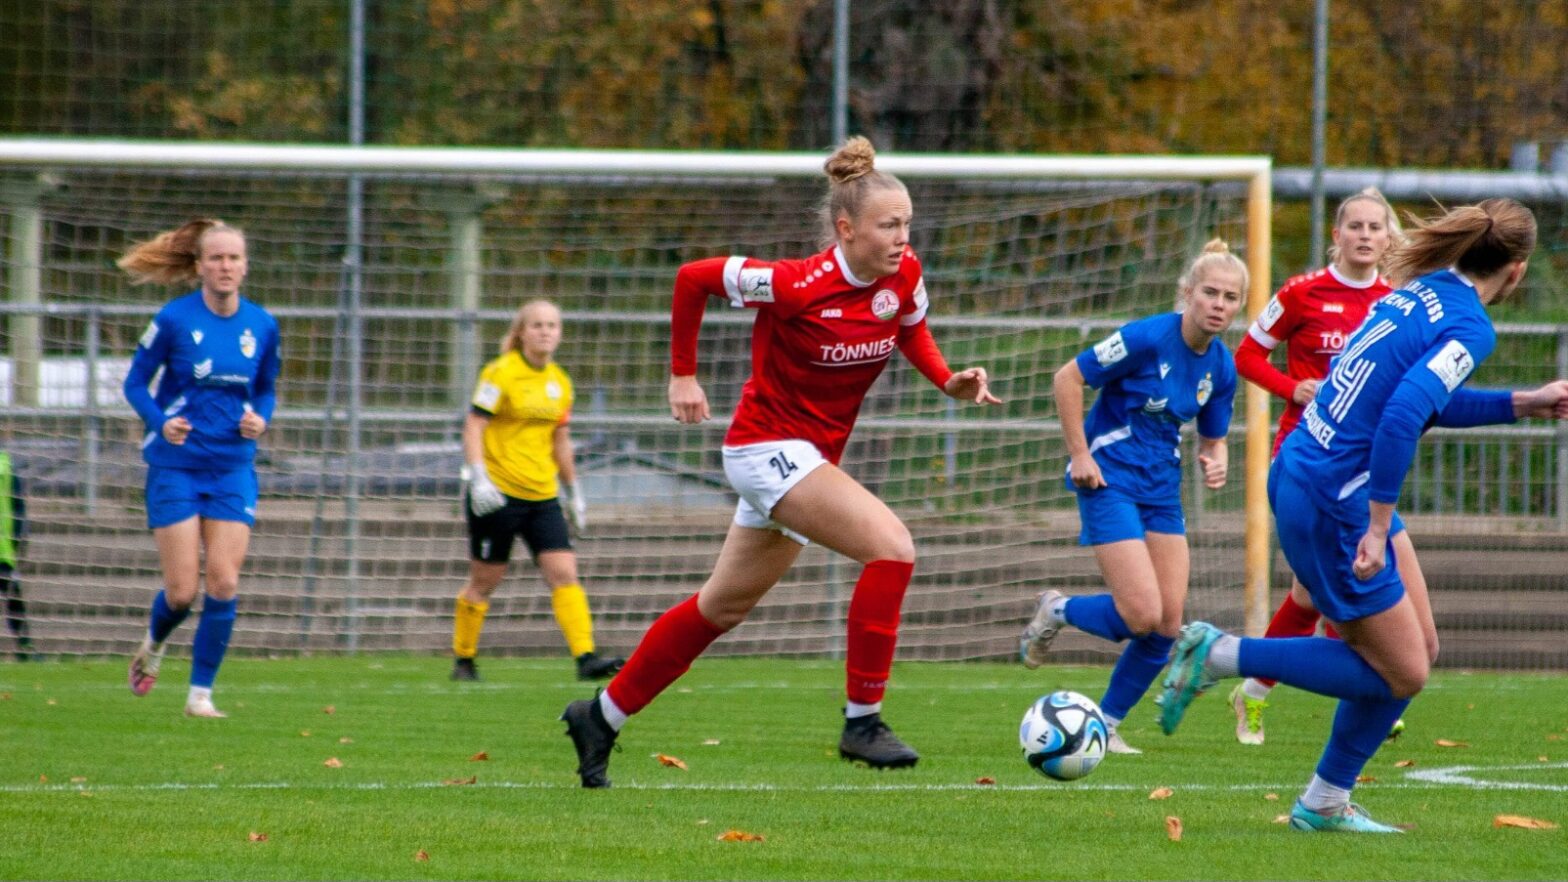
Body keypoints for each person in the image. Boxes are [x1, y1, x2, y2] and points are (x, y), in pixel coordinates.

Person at [560, 135, 1002, 788]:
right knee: (894, 549)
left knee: (721, 608)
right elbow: (692, 279)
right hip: (765, 449)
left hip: (806, 458)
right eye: (888, 225)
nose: (902, 237)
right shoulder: (796, 283)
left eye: (907, 223)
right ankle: (862, 722)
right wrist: (682, 374)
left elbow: (910, 327)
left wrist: (947, 381)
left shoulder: (902, 275)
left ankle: (601, 715)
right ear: (846, 229)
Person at [1159, 198, 1568, 833]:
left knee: (1418, 652)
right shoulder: (1470, 326)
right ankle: (1223, 654)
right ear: (1515, 270)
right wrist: (1378, 525)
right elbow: (1404, 416)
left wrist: (1526, 402)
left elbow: (1419, 405)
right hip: (1335, 501)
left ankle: (1325, 802)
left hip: (1309, 471)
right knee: (1401, 671)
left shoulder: (1422, 290)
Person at [1018, 239, 1243, 755]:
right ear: (1187, 293)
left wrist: (1217, 456)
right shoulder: (1145, 338)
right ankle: (1059, 610)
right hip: (1108, 479)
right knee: (1140, 613)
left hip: (1161, 490)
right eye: (1210, 292)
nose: (1219, 305)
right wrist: (1080, 454)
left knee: (1166, 625)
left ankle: (1107, 723)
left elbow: (1213, 434)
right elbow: (1068, 378)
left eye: (1230, 298)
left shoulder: (1222, 367)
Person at [1228, 188, 1414, 746]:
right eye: (1353, 226)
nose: (1363, 235)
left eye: (1374, 228)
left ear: (1387, 239)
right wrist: (1293, 388)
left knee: (1316, 590)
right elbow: (1246, 356)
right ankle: (1369, 685)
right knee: (1332, 581)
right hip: (1302, 458)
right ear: (1336, 235)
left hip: (1359, 466)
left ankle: (1258, 688)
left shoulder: (1394, 303)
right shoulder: (1302, 293)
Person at [119, 219, 281, 718]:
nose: (225, 266)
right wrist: (160, 422)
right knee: (183, 590)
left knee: (225, 582)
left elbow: (268, 388)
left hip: (232, 466)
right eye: (216, 258)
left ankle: (200, 695)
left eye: (234, 258)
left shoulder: (262, 325)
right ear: (199, 266)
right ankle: (154, 642)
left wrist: (261, 419)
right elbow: (135, 385)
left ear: (245, 266)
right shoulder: (172, 319)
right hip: (177, 466)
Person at [451, 298, 622, 683]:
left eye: (552, 326)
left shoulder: (560, 382)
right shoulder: (500, 373)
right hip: (496, 494)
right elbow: (474, 426)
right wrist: (478, 477)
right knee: (485, 582)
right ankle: (464, 659)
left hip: (543, 495)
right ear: (522, 332)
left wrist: (574, 490)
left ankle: (585, 658)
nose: (546, 331)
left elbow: (561, 440)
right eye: (538, 325)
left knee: (564, 573)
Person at [0, 448, 35, 660]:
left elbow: (17, 505)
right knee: (13, 595)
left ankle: (25, 645)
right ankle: (25, 646)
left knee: (13, 595)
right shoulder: (6, 463)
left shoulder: (6, 463)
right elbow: (19, 507)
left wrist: (19, 536)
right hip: (4, 547)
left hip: (3, 548)